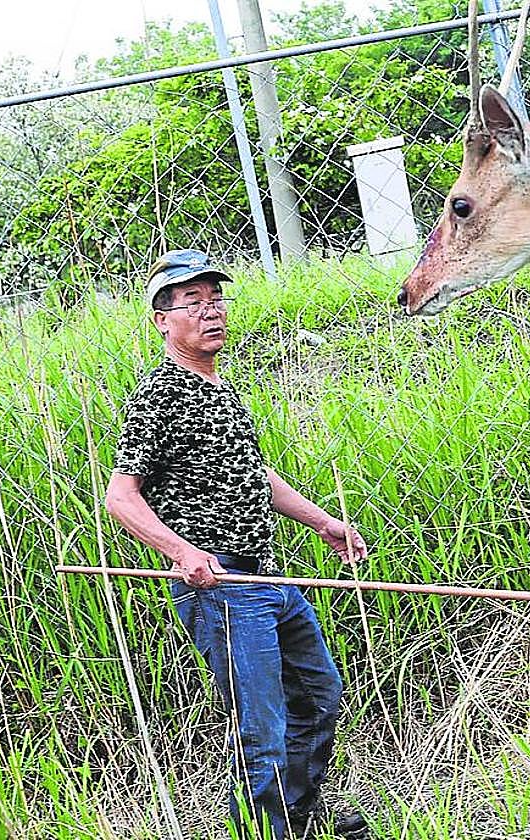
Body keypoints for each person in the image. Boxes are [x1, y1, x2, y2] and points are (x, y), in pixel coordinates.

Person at [104, 249, 370, 840]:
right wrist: (182, 553)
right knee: (262, 727)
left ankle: (298, 813)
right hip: (222, 587)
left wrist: (323, 522)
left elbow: (252, 473)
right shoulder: (159, 394)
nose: (210, 311)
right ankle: (267, 829)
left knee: (319, 697)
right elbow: (121, 498)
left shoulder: (219, 389)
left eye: (215, 298)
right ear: (162, 320)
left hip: (269, 578)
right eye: (192, 302)